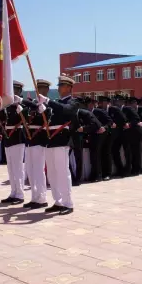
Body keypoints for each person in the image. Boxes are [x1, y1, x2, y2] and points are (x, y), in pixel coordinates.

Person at [37, 75, 78, 215]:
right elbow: (51, 116)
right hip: (51, 140)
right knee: (52, 174)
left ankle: (68, 203)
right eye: (59, 85)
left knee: (62, 172)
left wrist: (48, 102)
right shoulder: (56, 103)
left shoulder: (73, 102)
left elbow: (65, 110)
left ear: (69, 88)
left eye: (61, 85)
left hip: (61, 140)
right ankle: (58, 201)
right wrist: (44, 109)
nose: (59, 88)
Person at [0, 80, 28, 206]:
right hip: (8, 137)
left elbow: (26, 118)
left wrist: (20, 107)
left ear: (20, 91)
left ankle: (20, 194)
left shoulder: (22, 104)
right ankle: (13, 192)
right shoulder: (8, 105)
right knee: (10, 167)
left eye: (16, 90)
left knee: (17, 167)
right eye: (12, 90)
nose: (14, 92)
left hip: (17, 136)